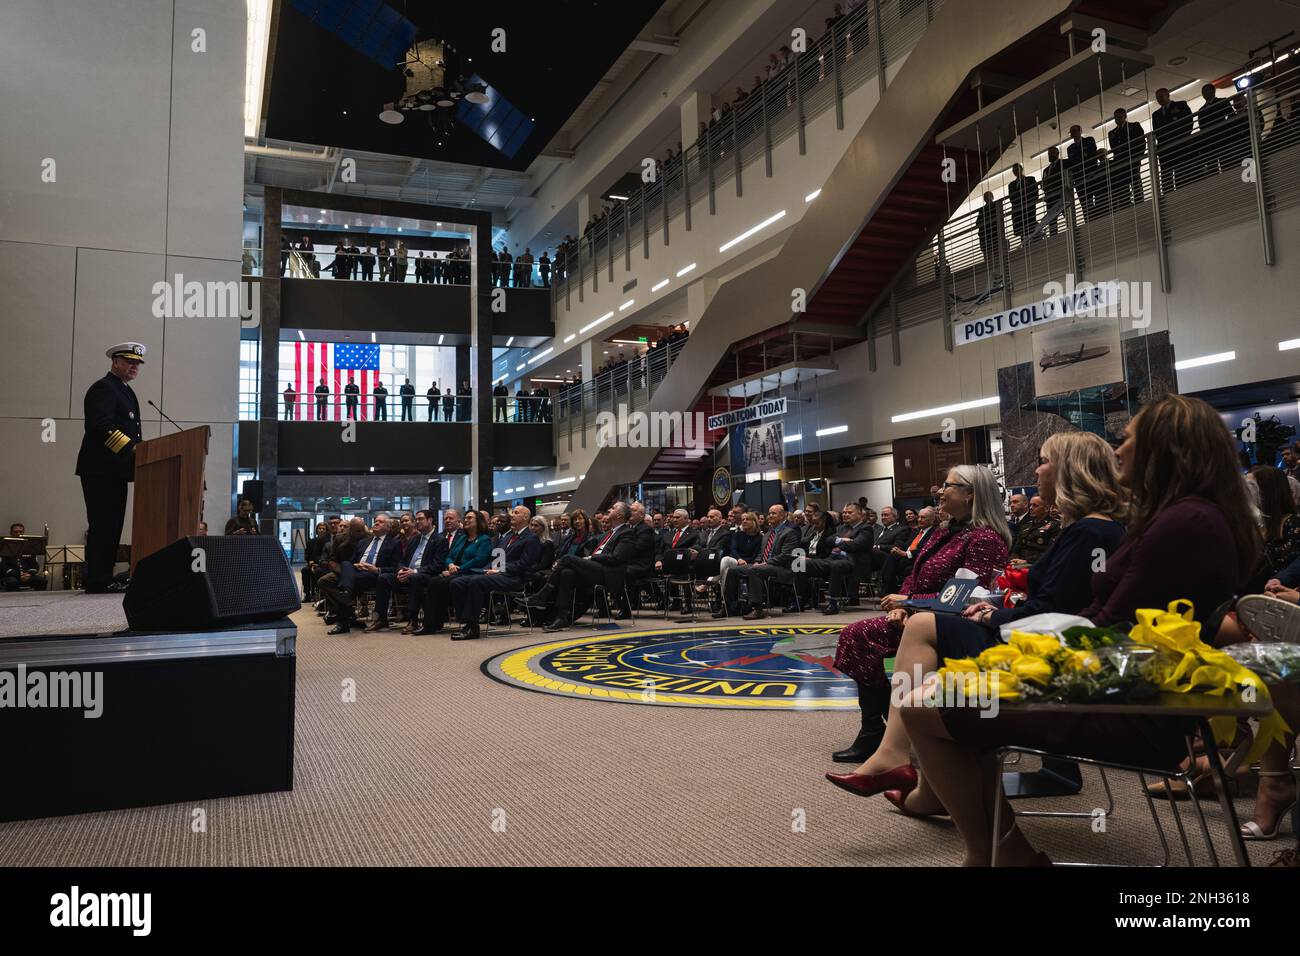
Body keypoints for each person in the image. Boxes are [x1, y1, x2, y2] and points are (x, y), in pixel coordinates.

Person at [898, 396, 1260, 866]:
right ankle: (1000, 850)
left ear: (1162, 449)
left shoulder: (1183, 522)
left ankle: (1002, 855)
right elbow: (1107, 621)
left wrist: (1015, 657)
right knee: (941, 692)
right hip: (1123, 680)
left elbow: (1112, 629)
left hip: (1130, 702)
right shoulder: (1185, 516)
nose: (1118, 449)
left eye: (1127, 437)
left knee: (923, 704)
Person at [827, 431, 1128, 814]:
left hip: (1047, 648)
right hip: (1026, 629)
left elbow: (1057, 609)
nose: (1036, 471)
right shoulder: (1082, 529)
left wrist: (994, 612)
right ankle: (903, 760)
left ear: (1070, 470)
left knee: (921, 633)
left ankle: (894, 753)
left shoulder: (1089, 532)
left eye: (1044, 461)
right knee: (910, 639)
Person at [827, 465, 1010, 764]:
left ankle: (886, 730)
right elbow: (917, 573)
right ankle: (883, 729)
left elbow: (965, 597)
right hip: (920, 613)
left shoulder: (984, 539)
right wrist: (902, 605)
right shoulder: (947, 531)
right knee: (856, 636)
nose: (939, 490)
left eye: (947, 485)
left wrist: (910, 602)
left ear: (970, 495)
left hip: (952, 625)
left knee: (858, 635)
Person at [76, 343, 145, 593]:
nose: (134, 366)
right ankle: (96, 580)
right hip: (100, 468)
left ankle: (103, 577)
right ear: (115, 362)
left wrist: (139, 450)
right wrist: (131, 448)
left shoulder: (125, 391)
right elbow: (99, 426)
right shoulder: (104, 388)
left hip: (117, 470)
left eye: (137, 363)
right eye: (129, 362)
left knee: (113, 524)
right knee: (102, 524)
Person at [449, 505, 541, 639]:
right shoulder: (506, 537)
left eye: (516, 513)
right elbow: (495, 560)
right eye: (512, 512)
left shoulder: (531, 538)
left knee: (476, 581)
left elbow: (524, 565)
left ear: (525, 517)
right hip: (499, 574)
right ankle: (466, 622)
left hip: (515, 578)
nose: (512, 515)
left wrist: (499, 569)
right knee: (457, 582)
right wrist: (485, 570)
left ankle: (472, 627)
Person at [716, 504, 802, 619]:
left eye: (774, 513)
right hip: (764, 566)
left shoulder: (789, 533)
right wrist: (757, 561)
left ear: (782, 516)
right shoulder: (767, 534)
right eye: (769, 513)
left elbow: (786, 556)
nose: (770, 516)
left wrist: (766, 563)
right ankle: (728, 607)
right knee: (732, 570)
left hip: (782, 568)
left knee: (755, 570)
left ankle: (757, 608)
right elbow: (761, 554)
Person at [367, 509, 447, 632]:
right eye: (416, 520)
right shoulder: (414, 540)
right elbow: (401, 560)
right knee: (384, 578)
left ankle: (413, 620)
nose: (417, 522)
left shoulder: (440, 540)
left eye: (421, 519)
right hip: (406, 574)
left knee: (415, 578)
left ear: (430, 520)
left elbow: (438, 565)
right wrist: (400, 570)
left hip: (426, 576)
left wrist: (414, 571)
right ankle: (381, 619)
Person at [415, 509, 491, 634]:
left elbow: (479, 560)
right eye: (465, 518)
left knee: (446, 583)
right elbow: (449, 556)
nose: (466, 520)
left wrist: (457, 569)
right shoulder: (462, 538)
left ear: (479, 521)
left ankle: (466, 623)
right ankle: (431, 623)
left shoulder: (484, 539)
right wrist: (450, 564)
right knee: (434, 582)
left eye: (470, 518)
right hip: (455, 571)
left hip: (471, 572)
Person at [1152, 87, 1194, 193]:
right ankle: (1168, 194)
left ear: (1168, 95)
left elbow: (1189, 122)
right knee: (1167, 177)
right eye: (1157, 98)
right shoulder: (1156, 114)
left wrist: (1182, 138)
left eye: (1161, 96)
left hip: (1181, 146)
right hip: (1165, 150)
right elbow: (1157, 132)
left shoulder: (1181, 105)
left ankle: (1183, 192)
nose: (1159, 100)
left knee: (1182, 173)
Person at [1107, 107, 1146, 207]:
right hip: (1120, 163)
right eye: (1115, 118)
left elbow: (1141, 142)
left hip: (1132, 160)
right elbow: (1114, 149)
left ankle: (1139, 202)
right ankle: (1126, 204)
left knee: (1135, 182)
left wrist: (1138, 157)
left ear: (1125, 116)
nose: (1117, 120)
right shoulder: (1112, 133)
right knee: (1122, 185)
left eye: (1119, 117)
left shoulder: (1133, 126)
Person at [1009, 494, 1059, 565]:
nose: (1031, 508)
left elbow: (1051, 551)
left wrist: (1027, 561)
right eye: (1031, 505)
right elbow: (1017, 548)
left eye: (1035, 505)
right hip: (1020, 563)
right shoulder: (1026, 526)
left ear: (1046, 508)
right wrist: (1013, 560)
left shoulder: (1054, 526)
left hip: (1038, 564)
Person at [1066, 124, 1099, 220]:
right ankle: (1088, 221)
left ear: (1080, 131)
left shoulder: (1089, 140)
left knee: (1097, 198)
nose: (1073, 133)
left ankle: (1098, 218)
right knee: (1085, 203)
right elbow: (1072, 163)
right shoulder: (1070, 148)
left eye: (1075, 131)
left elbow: (1092, 155)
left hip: (1091, 174)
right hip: (1079, 179)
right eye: (1071, 132)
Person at [2, 522, 48, 592]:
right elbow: (3, 566)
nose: (18, 534)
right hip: (12, 576)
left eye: (21, 532)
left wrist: (29, 574)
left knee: (42, 581)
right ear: (11, 533)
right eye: (16, 532)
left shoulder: (29, 547)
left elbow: (35, 565)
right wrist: (18, 575)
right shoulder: (4, 547)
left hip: (27, 575)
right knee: (12, 582)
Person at [1007, 163, 1039, 241]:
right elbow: (1012, 198)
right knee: (1021, 228)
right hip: (1017, 210)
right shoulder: (1011, 185)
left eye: (1017, 169)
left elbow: (1035, 193)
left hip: (1028, 207)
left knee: (1030, 225)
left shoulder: (1030, 179)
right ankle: (1024, 242)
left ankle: (1034, 240)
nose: (1015, 172)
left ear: (1021, 169)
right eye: (1014, 170)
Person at [1039, 145, 1065, 235]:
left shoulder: (1063, 163)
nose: (1051, 155)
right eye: (1049, 154)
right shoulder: (1046, 170)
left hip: (1061, 195)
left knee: (1067, 215)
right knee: (1052, 220)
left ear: (1058, 153)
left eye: (1052, 153)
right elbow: (1043, 185)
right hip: (1050, 198)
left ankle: (1073, 229)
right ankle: (1053, 236)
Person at [302, 521, 329, 601]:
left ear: (326, 531)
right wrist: (310, 562)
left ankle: (316, 593)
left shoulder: (329, 542)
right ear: (316, 530)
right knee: (305, 570)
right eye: (319, 528)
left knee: (317, 571)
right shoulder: (311, 542)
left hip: (323, 565)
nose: (321, 530)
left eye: (323, 529)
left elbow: (326, 556)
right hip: (312, 563)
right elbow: (307, 555)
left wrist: (318, 564)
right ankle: (307, 594)